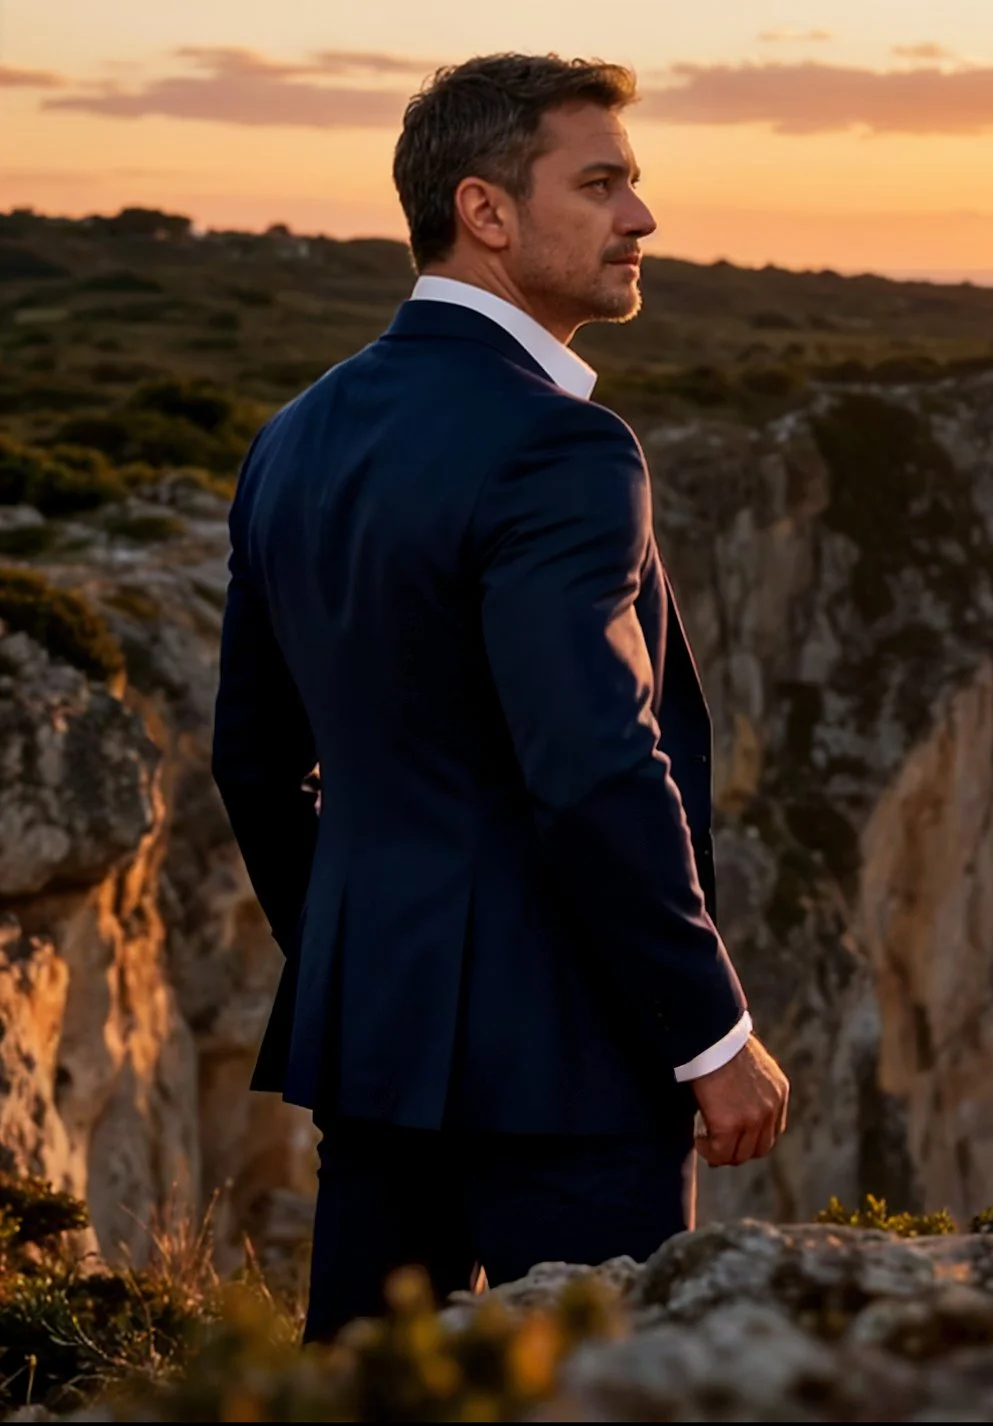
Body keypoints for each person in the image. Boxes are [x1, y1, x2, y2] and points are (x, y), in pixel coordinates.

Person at [211, 53, 789, 1344]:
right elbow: (591, 763)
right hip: (573, 1075)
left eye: (633, 183)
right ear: (485, 210)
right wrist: (711, 1033)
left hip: (374, 1058)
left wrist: (368, 965)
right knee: (597, 1392)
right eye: (602, 183)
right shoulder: (565, 445)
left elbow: (252, 761)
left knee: (366, 1397)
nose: (640, 215)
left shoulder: (291, 437)